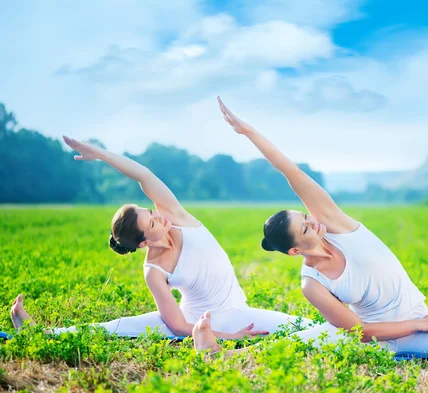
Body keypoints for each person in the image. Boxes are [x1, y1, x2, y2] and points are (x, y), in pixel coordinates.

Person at [197, 96, 428, 358]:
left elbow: (292, 174)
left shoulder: (336, 224)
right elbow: (358, 332)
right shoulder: (311, 285)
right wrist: (419, 324)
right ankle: (216, 353)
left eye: (306, 216)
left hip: (415, 322)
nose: (313, 221)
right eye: (306, 228)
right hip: (383, 335)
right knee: (292, 346)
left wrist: (249, 132)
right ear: (296, 250)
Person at [10, 136, 312, 340]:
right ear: (144, 243)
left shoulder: (176, 217)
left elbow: (144, 176)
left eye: (149, 211)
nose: (158, 216)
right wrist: (227, 336)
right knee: (115, 327)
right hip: (203, 322)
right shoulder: (154, 271)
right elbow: (179, 326)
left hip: (235, 311)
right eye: (151, 221)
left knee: (303, 327)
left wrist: (100, 155)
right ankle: (35, 332)